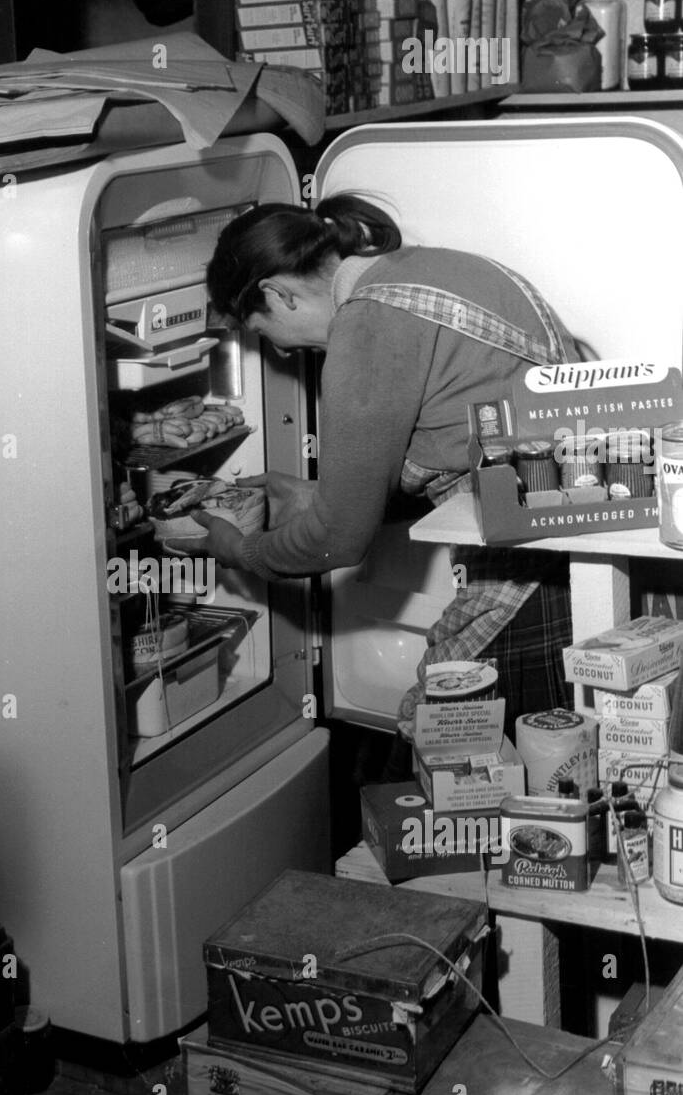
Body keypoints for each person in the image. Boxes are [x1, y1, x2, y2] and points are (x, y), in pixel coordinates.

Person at [191, 192, 576, 741]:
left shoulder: (366, 327)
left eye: (262, 331)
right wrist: (318, 495)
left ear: (277, 293)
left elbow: (339, 542)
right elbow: (456, 438)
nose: (277, 352)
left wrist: (241, 552)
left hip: (525, 571)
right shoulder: (430, 267)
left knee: (459, 756)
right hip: (572, 527)